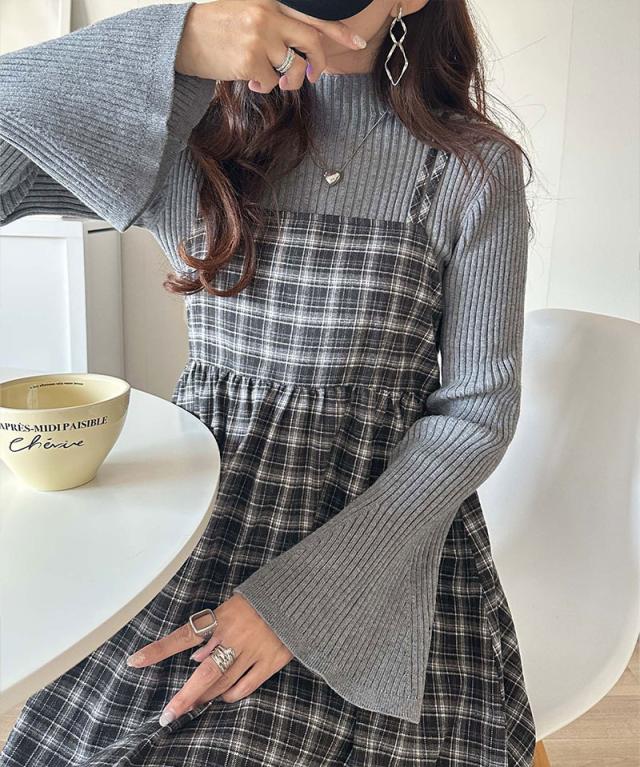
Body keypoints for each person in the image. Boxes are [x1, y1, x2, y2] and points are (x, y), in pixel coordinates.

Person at [0, 0, 538, 764]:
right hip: (188, 537)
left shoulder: (470, 169)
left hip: (371, 553)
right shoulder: (191, 141)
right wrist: (175, 43)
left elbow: (476, 414)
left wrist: (299, 603)